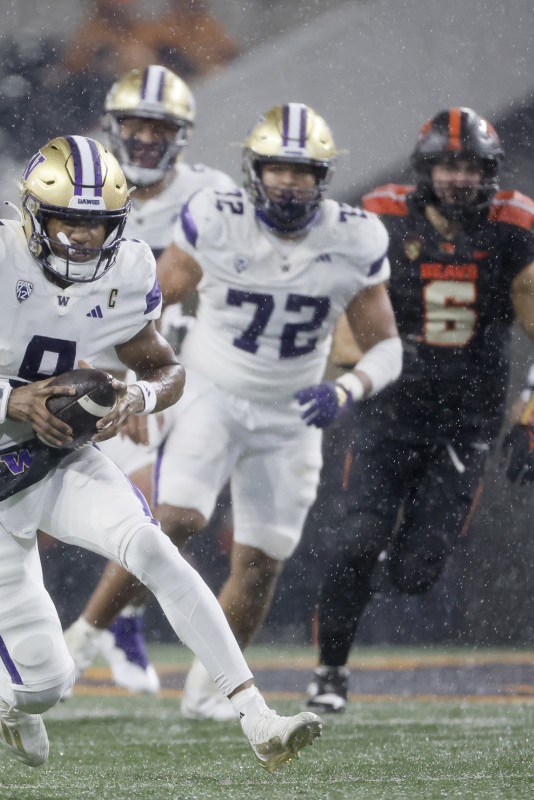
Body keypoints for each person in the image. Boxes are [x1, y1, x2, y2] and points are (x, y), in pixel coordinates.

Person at [0, 134, 322, 770]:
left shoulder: (127, 271)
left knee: (153, 547)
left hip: (56, 458)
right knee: (45, 683)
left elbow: (168, 369)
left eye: (96, 223)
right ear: (33, 212)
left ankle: (257, 717)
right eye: (68, 220)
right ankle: (12, 692)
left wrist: (134, 398)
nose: (83, 238)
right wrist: (12, 401)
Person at [61, 103, 405, 722]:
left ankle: (209, 692)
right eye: (278, 168)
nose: (289, 182)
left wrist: (348, 389)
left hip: (291, 415)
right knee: (171, 523)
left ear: (323, 177)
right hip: (212, 394)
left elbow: (387, 345)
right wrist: (134, 379)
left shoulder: (354, 236)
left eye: (303, 171)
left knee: (262, 561)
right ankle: (79, 644)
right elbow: (150, 299)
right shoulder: (217, 221)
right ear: (254, 170)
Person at [0, 65, 236, 709]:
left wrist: (136, 386)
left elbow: (206, 289)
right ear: (111, 126)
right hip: (77, 370)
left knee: (166, 516)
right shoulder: (72, 175)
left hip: (165, 369)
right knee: (24, 515)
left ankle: (107, 624)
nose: (147, 137)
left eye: (161, 127)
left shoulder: (212, 198)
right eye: (136, 123)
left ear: (181, 135)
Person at [306, 107, 534, 714]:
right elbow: (338, 306)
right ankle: (330, 674)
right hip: (390, 415)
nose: (459, 177)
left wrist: (531, 422)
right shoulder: (380, 218)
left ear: (491, 172)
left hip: (466, 423)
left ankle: (363, 577)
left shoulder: (510, 227)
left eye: (472, 166)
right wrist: (344, 375)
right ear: (425, 168)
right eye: (448, 164)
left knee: (415, 574)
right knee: (355, 541)